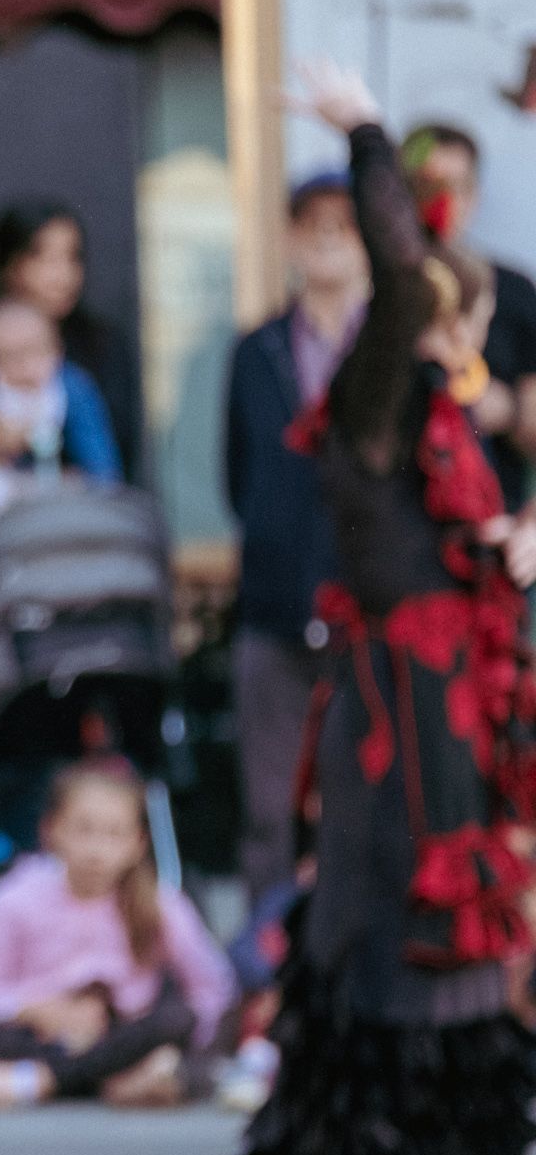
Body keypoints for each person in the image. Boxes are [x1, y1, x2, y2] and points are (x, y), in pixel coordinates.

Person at [215, 61, 536, 1155]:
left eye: (462, 323)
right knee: (388, 967)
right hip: (391, 729)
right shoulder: (358, 409)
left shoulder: (459, 439)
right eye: (438, 322)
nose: (451, 340)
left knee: (461, 978)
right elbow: (400, 273)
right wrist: (364, 138)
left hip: (454, 710)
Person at [224, 171, 367, 907]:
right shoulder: (258, 349)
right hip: (273, 602)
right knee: (267, 803)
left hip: (369, 603)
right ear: (286, 236)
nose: (327, 236)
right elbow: (237, 471)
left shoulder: (391, 350)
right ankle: (266, 966)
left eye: (345, 221)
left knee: (366, 796)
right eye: (311, 221)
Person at [0, 760, 235, 1108]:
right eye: (84, 830)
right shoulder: (13, 899)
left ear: (138, 843)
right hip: (39, 1034)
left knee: (177, 1019)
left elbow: (211, 986)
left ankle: (38, 1082)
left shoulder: (160, 903)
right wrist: (38, 1010)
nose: (97, 850)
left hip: (122, 1034)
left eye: (114, 834)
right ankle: (109, 1080)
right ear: (51, 830)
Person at [401, 119, 536, 508]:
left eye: (454, 187)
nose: (439, 201)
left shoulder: (510, 290)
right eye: (425, 186)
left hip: (486, 523)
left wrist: (507, 409)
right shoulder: (381, 288)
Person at [0, 200, 145, 477]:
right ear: (9, 264)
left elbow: (115, 456)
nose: (62, 276)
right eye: (43, 258)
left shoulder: (101, 345)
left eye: (72, 257)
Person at [0, 298, 123, 531]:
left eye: (34, 352)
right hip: (0, 520)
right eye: (9, 357)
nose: (25, 368)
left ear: (56, 350)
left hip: (66, 510)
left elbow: (103, 471)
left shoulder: (72, 389)